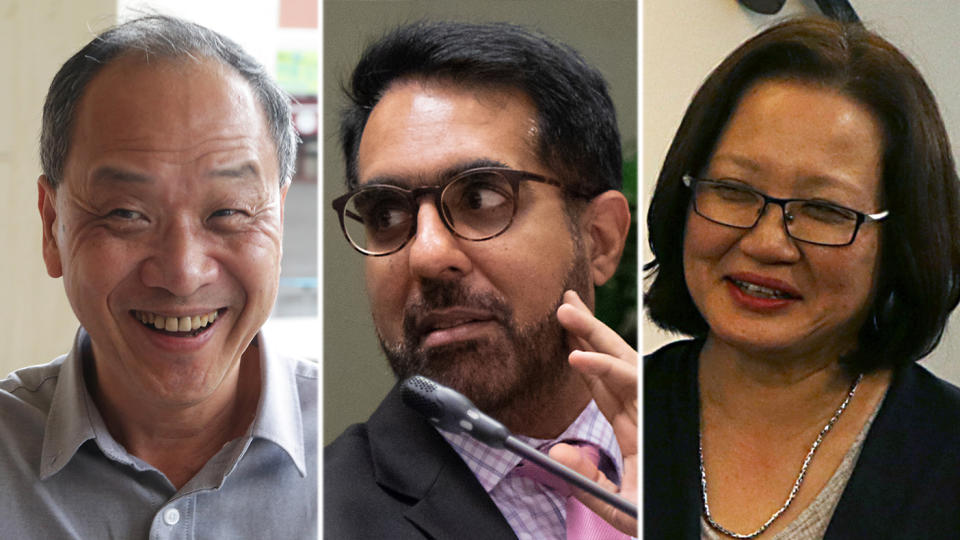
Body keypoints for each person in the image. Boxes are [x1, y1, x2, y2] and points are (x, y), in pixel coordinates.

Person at [0, 15, 317, 538]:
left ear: (278, 223)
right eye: (127, 213)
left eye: (230, 212)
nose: (182, 273)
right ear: (52, 224)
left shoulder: (354, 460)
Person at [644, 17, 960, 539]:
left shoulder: (946, 454)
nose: (767, 243)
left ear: (902, 238)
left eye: (823, 209)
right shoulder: (610, 420)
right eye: (733, 189)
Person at [325, 21, 636, 539]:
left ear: (599, 239)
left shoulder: (695, 445)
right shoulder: (320, 515)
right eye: (386, 213)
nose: (426, 255)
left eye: (481, 198)